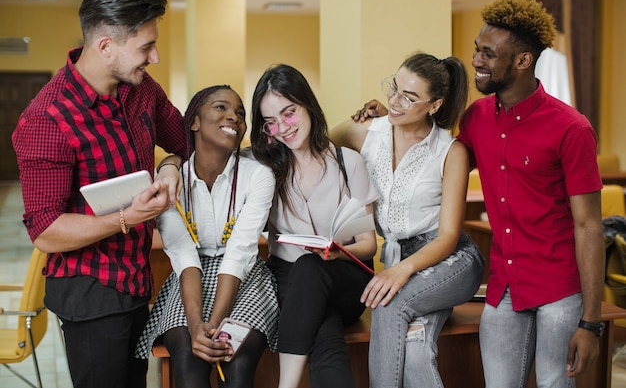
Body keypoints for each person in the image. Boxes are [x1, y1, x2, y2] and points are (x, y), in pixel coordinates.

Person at [352, 0, 606, 388]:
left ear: (522, 61)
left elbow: (589, 226)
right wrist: (392, 116)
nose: (475, 60)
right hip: (502, 285)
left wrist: (590, 322)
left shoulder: (571, 129)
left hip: (558, 288)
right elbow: (432, 158)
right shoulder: (477, 118)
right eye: (476, 49)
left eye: (488, 53)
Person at [11, 0, 186, 388]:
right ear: (106, 46)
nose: (155, 57)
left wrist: (170, 166)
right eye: (145, 47)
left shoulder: (141, 90)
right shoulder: (46, 119)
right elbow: (45, 231)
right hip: (88, 293)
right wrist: (127, 216)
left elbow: (184, 142)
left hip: (137, 279)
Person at [330, 52, 484, 388]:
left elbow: (447, 237)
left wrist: (400, 270)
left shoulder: (450, 152)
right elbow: (316, 147)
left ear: (434, 105)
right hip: (407, 264)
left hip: (451, 260)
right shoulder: (366, 133)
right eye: (394, 88)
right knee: (415, 348)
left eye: (409, 97)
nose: (395, 101)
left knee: (388, 303)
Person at [135, 85, 279, 388]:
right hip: (189, 278)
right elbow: (183, 253)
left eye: (240, 113)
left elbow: (240, 252)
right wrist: (197, 324)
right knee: (189, 361)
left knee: (236, 360)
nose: (234, 117)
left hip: (245, 277)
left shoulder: (258, 175)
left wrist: (214, 325)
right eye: (221, 107)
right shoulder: (169, 182)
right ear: (194, 122)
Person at [249, 64, 379, 388]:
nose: (283, 127)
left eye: (289, 113)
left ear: (306, 103)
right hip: (289, 280)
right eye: (272, 122)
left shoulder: (349, 163)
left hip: (345, 277)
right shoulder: (266, 171)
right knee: (325, 330)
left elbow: (368, 244)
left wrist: (339, 252)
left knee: (310, 267)